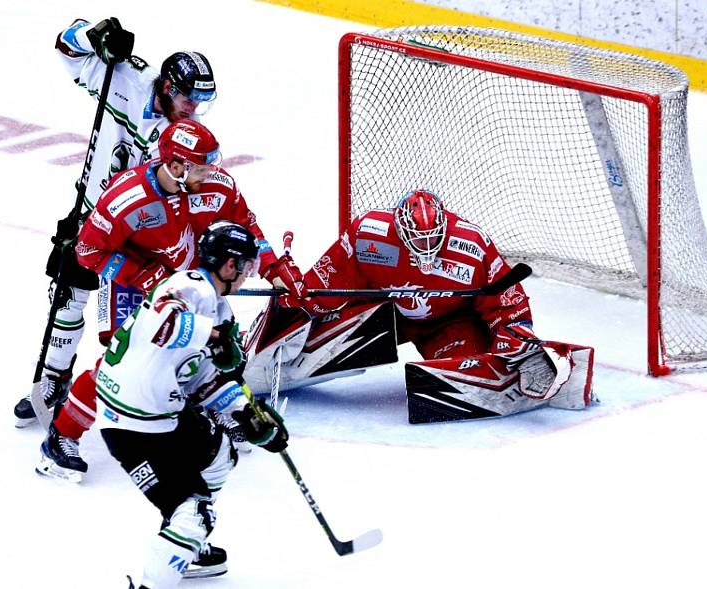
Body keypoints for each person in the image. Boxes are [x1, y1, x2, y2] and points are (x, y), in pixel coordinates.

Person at [35, 119, 304, 480]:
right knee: (122, 366)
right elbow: (87, 250)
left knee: (220, 347)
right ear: (176, 166)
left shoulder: (217, 187)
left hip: (194, 281)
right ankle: (62, 436)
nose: (212, 173)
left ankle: (213, 410)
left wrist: (273, 266)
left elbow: (247, 228)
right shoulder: (127, 197)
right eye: (202, 167)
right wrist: (141, 275)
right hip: (134, 284)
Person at [14, 15, 220, 426]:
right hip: (93, 213)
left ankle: (172, 388)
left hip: (146, 238)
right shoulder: (124, 78)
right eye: (188, 100)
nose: (194, 110)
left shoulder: (186, 136)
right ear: (167, 87)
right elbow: (65, 46)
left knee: (148, 320)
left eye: (201, 102)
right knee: (68, 296)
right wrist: (93, 36)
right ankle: (55, 377)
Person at [243, 189, 594, 422]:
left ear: (446, 227)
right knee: (308, 323)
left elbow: (507, 302)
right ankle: (255, 355)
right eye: (417, 240)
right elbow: (327, 284)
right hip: (386, 315)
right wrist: (302, 303)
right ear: (398, 230)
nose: (426, 248)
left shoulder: (472, 245)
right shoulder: (368, 234)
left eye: (433, 240)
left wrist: (514, 332)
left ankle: (532, 365)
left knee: (457, 375)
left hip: (448, 323)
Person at [96, 221, 288, 587]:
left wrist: (247, 412)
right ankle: (178, 542)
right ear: (229, 265)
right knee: (195, 512)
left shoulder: (219, 308)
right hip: (131, 423)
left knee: (219, 455)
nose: (249, 274)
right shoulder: (187, 286)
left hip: (161, 411)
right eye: (247, 266)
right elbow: (162, 327)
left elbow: (201, 379)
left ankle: (186, 546)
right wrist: (212, 336)